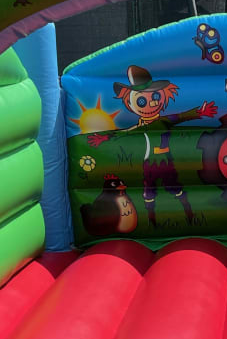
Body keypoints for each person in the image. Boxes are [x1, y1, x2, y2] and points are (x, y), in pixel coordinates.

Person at [88, 64, 217, 226]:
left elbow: (182, 116)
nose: (152, 103)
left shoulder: (163, 121)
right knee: (149, 192)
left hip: (165, 162)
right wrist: (104, 138)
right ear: (130, 104)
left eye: (155, 96)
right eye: (142, 101)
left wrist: (199, 112)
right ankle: (152, 221)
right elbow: (125, 132)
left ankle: (189, 215)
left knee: (176, 189)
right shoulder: (140, 126)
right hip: (150, 163)